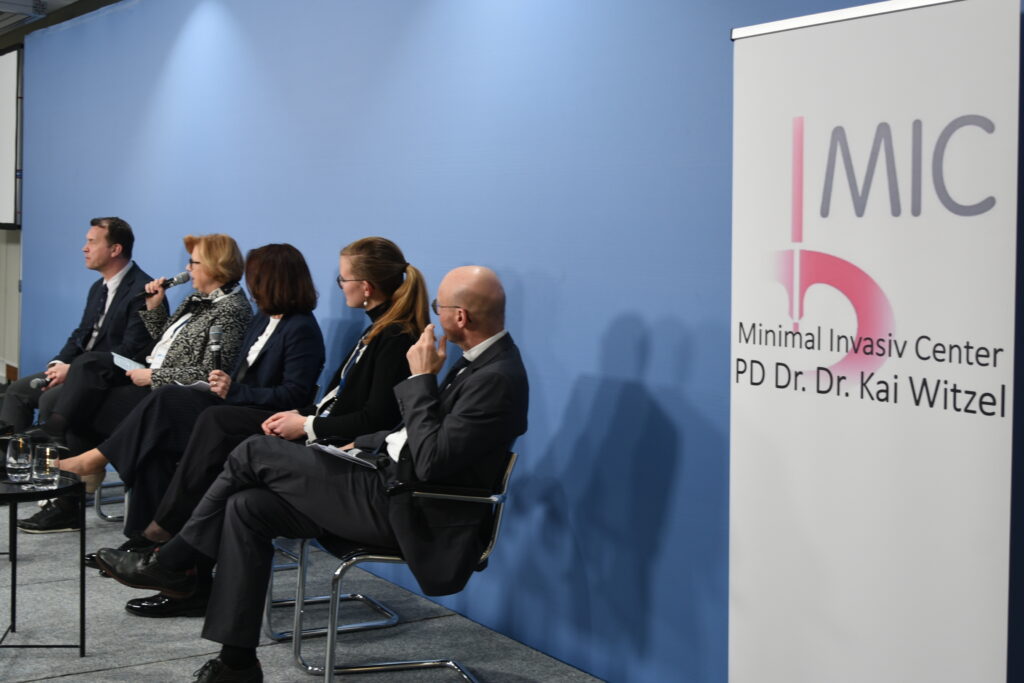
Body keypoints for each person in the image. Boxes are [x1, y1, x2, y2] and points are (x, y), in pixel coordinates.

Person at [97, 266, 529, 683]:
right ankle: (236, 664)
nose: (433, 315)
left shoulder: (497, 377)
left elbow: (432, 460)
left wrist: (421, 380)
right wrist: (364, 443)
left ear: (460, 317)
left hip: (408, 508)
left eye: (439, 308)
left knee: (253, 451)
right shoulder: (479, 362)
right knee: (248, 506)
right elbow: (416, 437)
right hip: (382, 478)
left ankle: (172, 560)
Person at [99, 236, 428, 618]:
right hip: (310, 432)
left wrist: (306, 424)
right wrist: (297, 416)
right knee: (189, 434)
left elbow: (375, 419)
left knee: (214, 431)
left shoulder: (394, 337)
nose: (340, 287)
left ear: (366, 287)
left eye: (343, 279)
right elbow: (337, 401)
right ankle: (177, 567)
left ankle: (165, 547)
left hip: (340, 454)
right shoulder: (376, 331)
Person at [57, 244, 325, 542]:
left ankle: (94, 463)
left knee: (164, 400)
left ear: (272, 280)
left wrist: (234, 389)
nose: (250, 284)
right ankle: (141, 542)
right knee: (154, 443)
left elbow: (294, 396)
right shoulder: (262, 317)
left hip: (255, 416)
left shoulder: (300, 329)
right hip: (226, 402)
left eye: (255, 277)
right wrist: (224, 383)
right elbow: (184, 351)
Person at [18, 234, 252, 533]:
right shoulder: (194, 300)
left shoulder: (232, 310)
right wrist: (155, 308)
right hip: (151, 378)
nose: (187, 268)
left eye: (193, 263)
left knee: (86, 406)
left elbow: (213, 371)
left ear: (214, 266)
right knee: (90, 365)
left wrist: (153, 376)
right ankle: (73, 476)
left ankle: (72, 475)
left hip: (173, 396)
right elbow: (165, 345)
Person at [0, 217, 160, 434]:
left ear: (115, 249)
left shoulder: (143, 291)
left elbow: (131, 351)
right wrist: (58, 364)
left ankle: (55, 453)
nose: (84, 248)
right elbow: (81, 334)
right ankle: (11, 453)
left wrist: (74, 370)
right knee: (18, 391)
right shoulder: (97, 287)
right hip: (79, 369)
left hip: (108, 374)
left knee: (50, 399)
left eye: (92, 242)